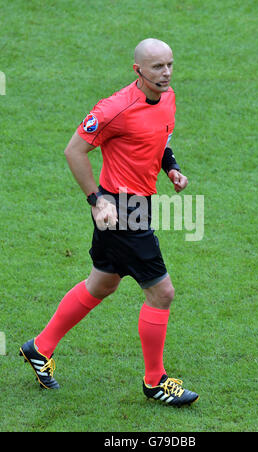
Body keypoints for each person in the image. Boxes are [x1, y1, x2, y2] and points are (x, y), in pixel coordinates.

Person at [19, 38, 199, 407]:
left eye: (169, 65)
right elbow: (74, 150)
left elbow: (159, 137)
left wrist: (172, 168)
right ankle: (155, 382)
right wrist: (96, 200)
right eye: (157, 67)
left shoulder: (168, 97)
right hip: (120, 209)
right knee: (162, 293)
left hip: (139, 203)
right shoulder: (115, 108)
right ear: (138, 70)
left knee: (101, 283)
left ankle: (39, 347)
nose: (165, 73)